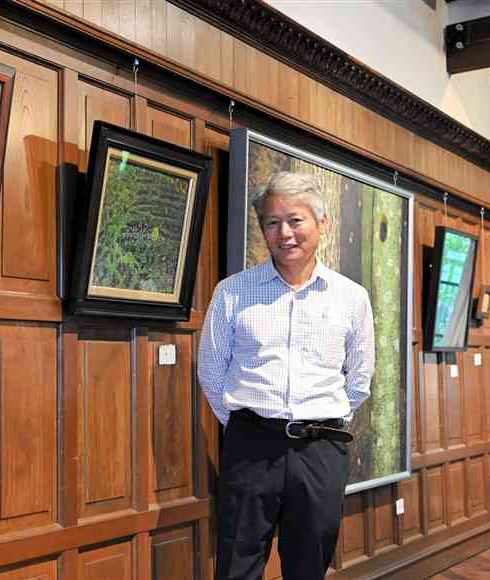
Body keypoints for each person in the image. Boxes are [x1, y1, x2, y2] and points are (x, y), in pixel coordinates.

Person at [198, 171, 375, 580]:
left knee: (309, 565)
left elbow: (360, 376)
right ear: (263, 230)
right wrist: (249, 424)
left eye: (296, 220)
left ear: (321, 223)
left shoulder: (351, 297)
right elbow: (210, 370)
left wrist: (322, 420)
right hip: (251, 446)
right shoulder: (233, 292)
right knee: (236, 564)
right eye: (273, 223)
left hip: (321, 448)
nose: (285, 233)